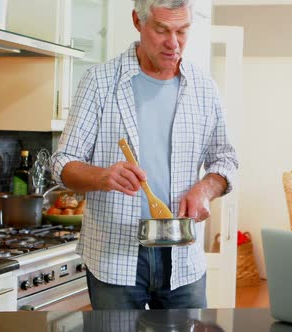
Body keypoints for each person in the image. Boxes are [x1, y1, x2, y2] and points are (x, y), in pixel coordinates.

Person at [50, 0, 238, 310]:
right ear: (138, 21)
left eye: (182, 31)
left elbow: (224, 160)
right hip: (115, 254)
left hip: (183, 255)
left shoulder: (205, 88)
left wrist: (206, 188)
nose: (173, 43)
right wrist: (102, 176)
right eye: (162, 30)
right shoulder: (99, 82)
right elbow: (62, 163)